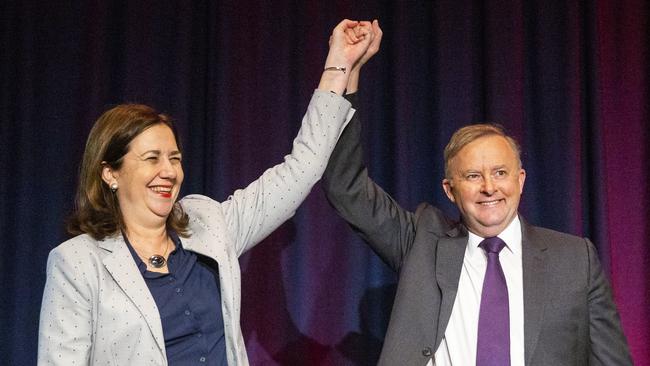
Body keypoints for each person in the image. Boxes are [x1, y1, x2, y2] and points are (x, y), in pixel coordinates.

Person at [38, 19, 375, 366]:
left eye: (175, 159)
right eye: (152, 159)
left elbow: (301, 170)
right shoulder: (78, 263)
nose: (168, 172)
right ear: (110, 173)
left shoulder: (209, 224)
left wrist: (338, 64)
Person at [323, 21, 632, 366]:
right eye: (473, 176)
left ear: (521, 180)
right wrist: (344, 72)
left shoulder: (575, 260)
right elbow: (345, 186)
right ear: (450, 190)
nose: (489, 187)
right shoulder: (421, 243)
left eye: (500, 173)